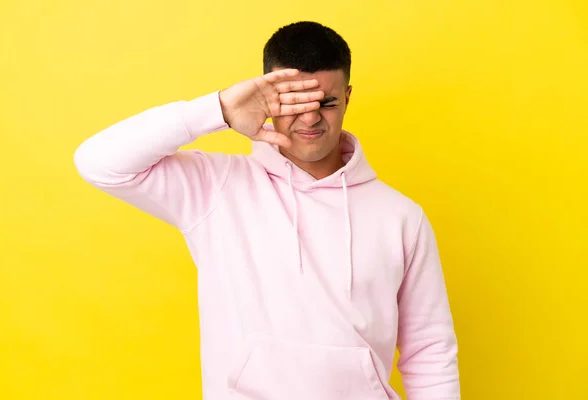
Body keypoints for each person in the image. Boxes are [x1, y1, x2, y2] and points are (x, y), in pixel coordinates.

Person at [74, 21, 460, 400]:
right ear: (267, 97)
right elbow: (98, 162)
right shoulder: (216, 188)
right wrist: (220, 108)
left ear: (348, 96)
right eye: (293, 102)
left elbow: (430, 351)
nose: (310, 119)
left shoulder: (401, 217)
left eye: (326, 102)